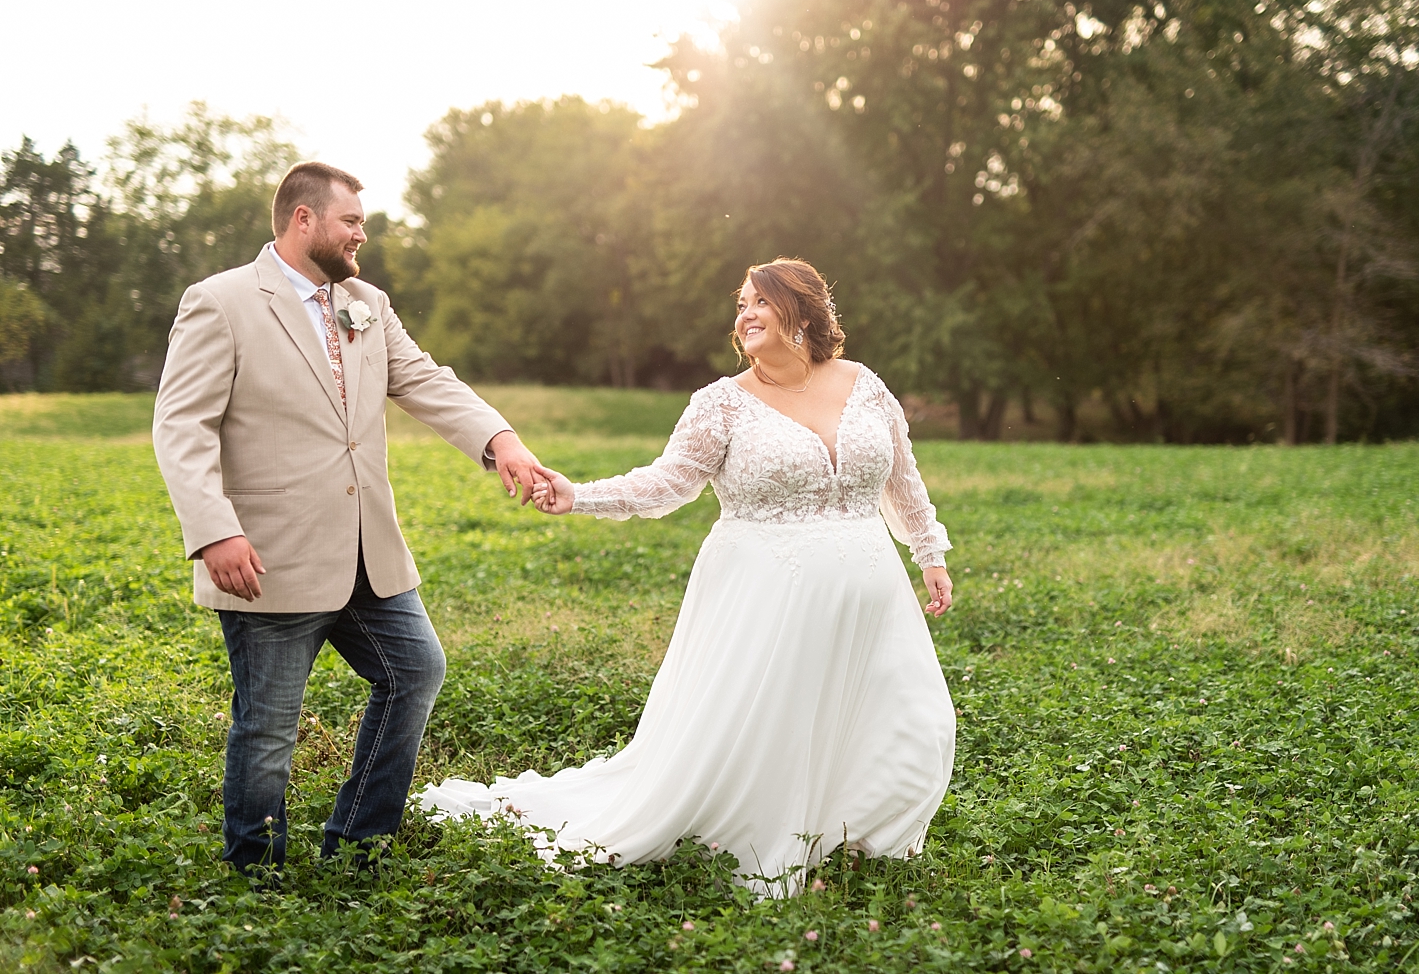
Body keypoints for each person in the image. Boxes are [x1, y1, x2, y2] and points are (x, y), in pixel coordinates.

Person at [418, 258, 956, 894]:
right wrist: (579, 495)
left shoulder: (864, 385)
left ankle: (863, 829)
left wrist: (929, 551)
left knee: (914, 717)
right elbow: (666, 483)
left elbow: (902, 478)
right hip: (765, 594)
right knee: (775, 727)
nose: (746, 314)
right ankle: (766, 832)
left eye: (761, 301)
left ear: (803, 311)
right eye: (742, 304)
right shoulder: (722, 404)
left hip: (874, 592)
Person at [152, 161, 548, 878]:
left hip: (368, 552)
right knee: (268, 728)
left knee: (415, 671)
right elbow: (182, 425)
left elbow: (423, 378)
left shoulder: (366, 301)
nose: (362, 234)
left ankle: (359, 846)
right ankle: (253, 873)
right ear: (304, 220)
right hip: (268, 555)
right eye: (351, 221)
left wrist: (501, 440)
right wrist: (214, 530)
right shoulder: (222, 301)